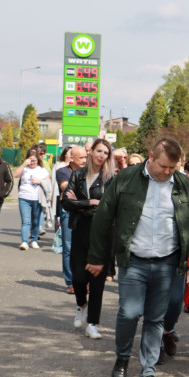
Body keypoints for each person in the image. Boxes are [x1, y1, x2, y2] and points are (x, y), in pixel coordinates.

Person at [87, 137, 189, 377]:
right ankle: (122, 358)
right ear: (151, 157)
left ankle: (147, 372)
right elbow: (103, 217)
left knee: (155, 318)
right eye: (163, 166)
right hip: (134, 260)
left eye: (172, 168)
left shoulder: (182, 183)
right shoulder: (126, 178)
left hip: (166, 263)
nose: (167, 172)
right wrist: (97, 258)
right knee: (129, 312)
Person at [64, 139, 115, 339]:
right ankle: (81, 306)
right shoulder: (77, 175)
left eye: (106, 153)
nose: (102, 155)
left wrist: (81, 203)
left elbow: (108, 206)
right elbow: (67, 202)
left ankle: (92, 323)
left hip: (102, 232)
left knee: (97, 282)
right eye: (99, 151)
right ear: (91, 152)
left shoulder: (110, 178)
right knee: (77, 277)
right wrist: (89, 202)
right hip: (80, 230)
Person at [55, 146, 86, 293]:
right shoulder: (62, 172)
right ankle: (71, 282)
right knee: (69, 248)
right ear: (72, 158)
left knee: (85, 247)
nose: (84, 160)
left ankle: (83, 280)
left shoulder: (90, 171)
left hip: (86, 213)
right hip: (68, 212)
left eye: (86, 157)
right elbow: (66, 189)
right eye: (81, 158)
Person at [13, 152, 50, 250]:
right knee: (26, 221)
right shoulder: (24, 169)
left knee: (35, 221)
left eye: (34, 160)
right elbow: (15, 175)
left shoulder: (42, 170)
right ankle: (24, 242)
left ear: (38, 160)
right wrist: (23, 164)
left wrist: (39, 181)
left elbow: (48, 183)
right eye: (30, 159)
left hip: (38, 199)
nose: (32, 162)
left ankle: (34, 240)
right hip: (24, 197)